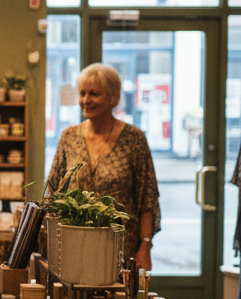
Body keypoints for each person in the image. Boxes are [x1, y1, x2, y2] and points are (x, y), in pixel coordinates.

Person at [45, 62, 161, 271]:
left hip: (121, 250)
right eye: (82, 93)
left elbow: (147, 199)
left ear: (113, 98)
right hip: (74, 247)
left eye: (94, 94)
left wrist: (145, 246)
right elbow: (52, 192)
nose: (86, 100)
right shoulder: (69, 137)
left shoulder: (134, 139)